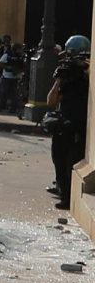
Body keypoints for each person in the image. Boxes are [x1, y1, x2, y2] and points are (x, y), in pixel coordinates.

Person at [47, 36, 90, 210]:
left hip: (80, 125)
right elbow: (51, 100)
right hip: (64, 124)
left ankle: (68, 196)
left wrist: (88, 69)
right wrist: (59, 79)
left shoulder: (88, 72)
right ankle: (62, 190)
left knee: (72, 161)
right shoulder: (65, 74)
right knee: (58, 158)